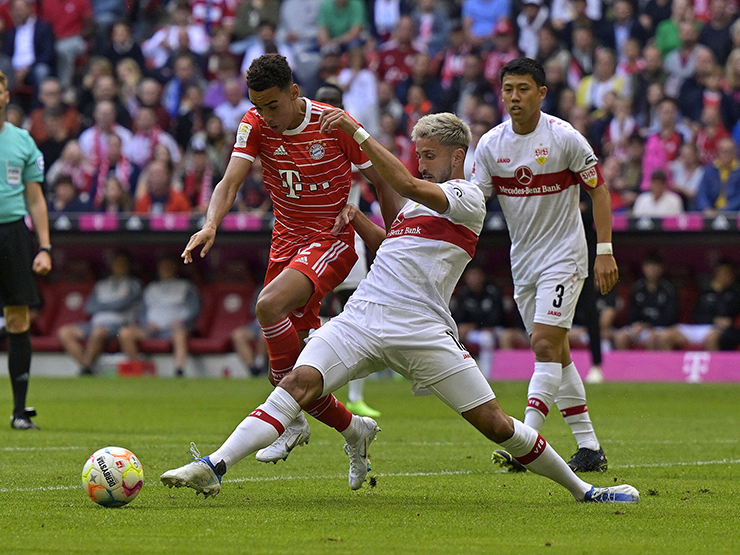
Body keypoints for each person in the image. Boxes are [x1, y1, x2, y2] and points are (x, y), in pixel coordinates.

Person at [161, 111, 639, 505]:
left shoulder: (466, 196)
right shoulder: (414, 208)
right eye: (418, 155)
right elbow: (395, 245)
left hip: (422, 329)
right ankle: (214, 466)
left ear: (457, 156)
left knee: (494, 424)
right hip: (365, 317)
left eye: (429, 155)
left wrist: (356, 133)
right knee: (297, 384)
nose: (422, 163)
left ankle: (584, 490)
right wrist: (360, 221)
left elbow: (408, 186)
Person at [181, 53, 394, 465]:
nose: (265, 114)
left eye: (272, 104)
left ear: (294, 92)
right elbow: (230, 181)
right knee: (289, 374)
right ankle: (355, 429)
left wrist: (393, 235)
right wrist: (210, 225)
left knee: (268, 305)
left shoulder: (335, 123)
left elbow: (382, 181)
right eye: (257, 105)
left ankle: (291, 424)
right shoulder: (254, 122)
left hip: (330, 239)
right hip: (285, 244)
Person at [471, 58, 617, 473]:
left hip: (565, 257)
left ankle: (526, 440)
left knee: (543, 346)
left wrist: (603, 249)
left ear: (541, 93)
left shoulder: (564, 138)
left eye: (523, 89)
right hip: (524, 263)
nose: (514, 97)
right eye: (508, 89)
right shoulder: (491, 145)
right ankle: (589, 448)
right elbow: (475, 202)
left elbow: (599, 192)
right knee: (558, 352)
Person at [314, 83, 380, 418]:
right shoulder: (305, 141)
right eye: (324, 104)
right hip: (313, 240)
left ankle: (355, 396)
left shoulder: (355, 138)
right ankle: (318, 385)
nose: (328, 111)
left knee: (356, 313)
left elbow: (379, 177)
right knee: (317, 310)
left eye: (335, 105)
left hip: (350, 240)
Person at [0, 70, 51, 430]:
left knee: (18, 317)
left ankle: (19, 412)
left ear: (6, 95)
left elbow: (35, 199)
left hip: (13, 234)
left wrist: (45, 246)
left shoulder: (22, 141)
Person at [57, 250, 142, 376]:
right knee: (64, 332)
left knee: (99, 332)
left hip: (118, 324)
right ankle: (86, 367)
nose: (119, 266)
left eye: (122, 263)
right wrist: (112, 304)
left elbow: (123, 305)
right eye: (116, 263)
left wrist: (103, 305)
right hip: (95, 323)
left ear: (128, 265)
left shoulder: (133, 284)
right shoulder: (101, 284)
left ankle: (85, 369)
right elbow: (89, 308)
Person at [118, 255, 200, 378]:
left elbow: (195, 308)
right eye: (163, 267)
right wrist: (146, 323)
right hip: (152, 329)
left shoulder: (186, 286)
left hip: (174, 328)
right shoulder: (151, 288)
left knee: (180, 334)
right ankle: (139, 367)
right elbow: (142, 311)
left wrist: (183, 321)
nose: (166, 269)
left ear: (176, 268)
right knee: (125, 333)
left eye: (169, 266)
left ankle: (179, 370)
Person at [612, 252, 677, 350]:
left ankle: (652, 365)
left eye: (655, 266)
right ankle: (625, 365)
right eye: (649, 266)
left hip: (660, 329)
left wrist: (648, 325)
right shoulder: (637, 288)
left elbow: (670, 317)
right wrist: (636, 324)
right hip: (639, 328)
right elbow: (631, 313)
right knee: (620, 337)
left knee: (652, 338)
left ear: (661, 268)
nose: (652, 270)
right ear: (643, 267)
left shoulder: (668, 289)